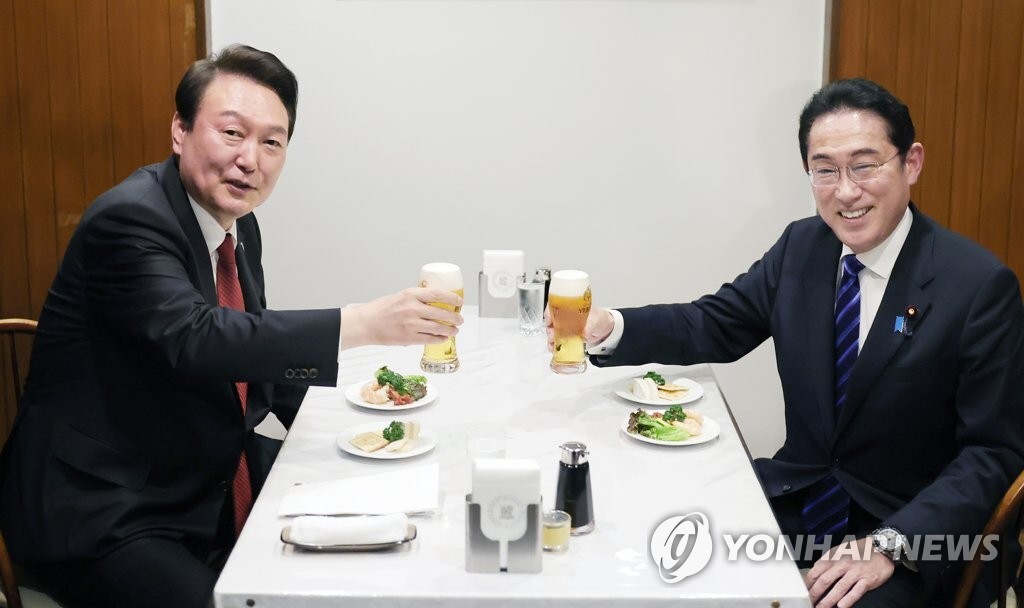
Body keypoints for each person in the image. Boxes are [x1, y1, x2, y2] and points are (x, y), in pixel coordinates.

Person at [0, 44, 462, 608]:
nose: (250, 159)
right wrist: (360, 323)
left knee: (384, 512)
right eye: (232, 133)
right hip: (104, 505)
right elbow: (197, 338)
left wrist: (353, 418)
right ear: (180, 130)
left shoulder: (237, 224)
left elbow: (248, 346)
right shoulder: (130, 219)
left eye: (272, 142)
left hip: (195, 467)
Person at [575, 78, 1024, 607]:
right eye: (825, 170)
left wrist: (891, 543)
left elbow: (992, 452)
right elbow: (713, 322)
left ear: (911, 163)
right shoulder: (802, 246)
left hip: (909, 531)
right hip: (799, 498)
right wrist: (609, 326)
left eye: (864, 165)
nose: (846, 191)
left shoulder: (977, 285)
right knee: (651, 547)